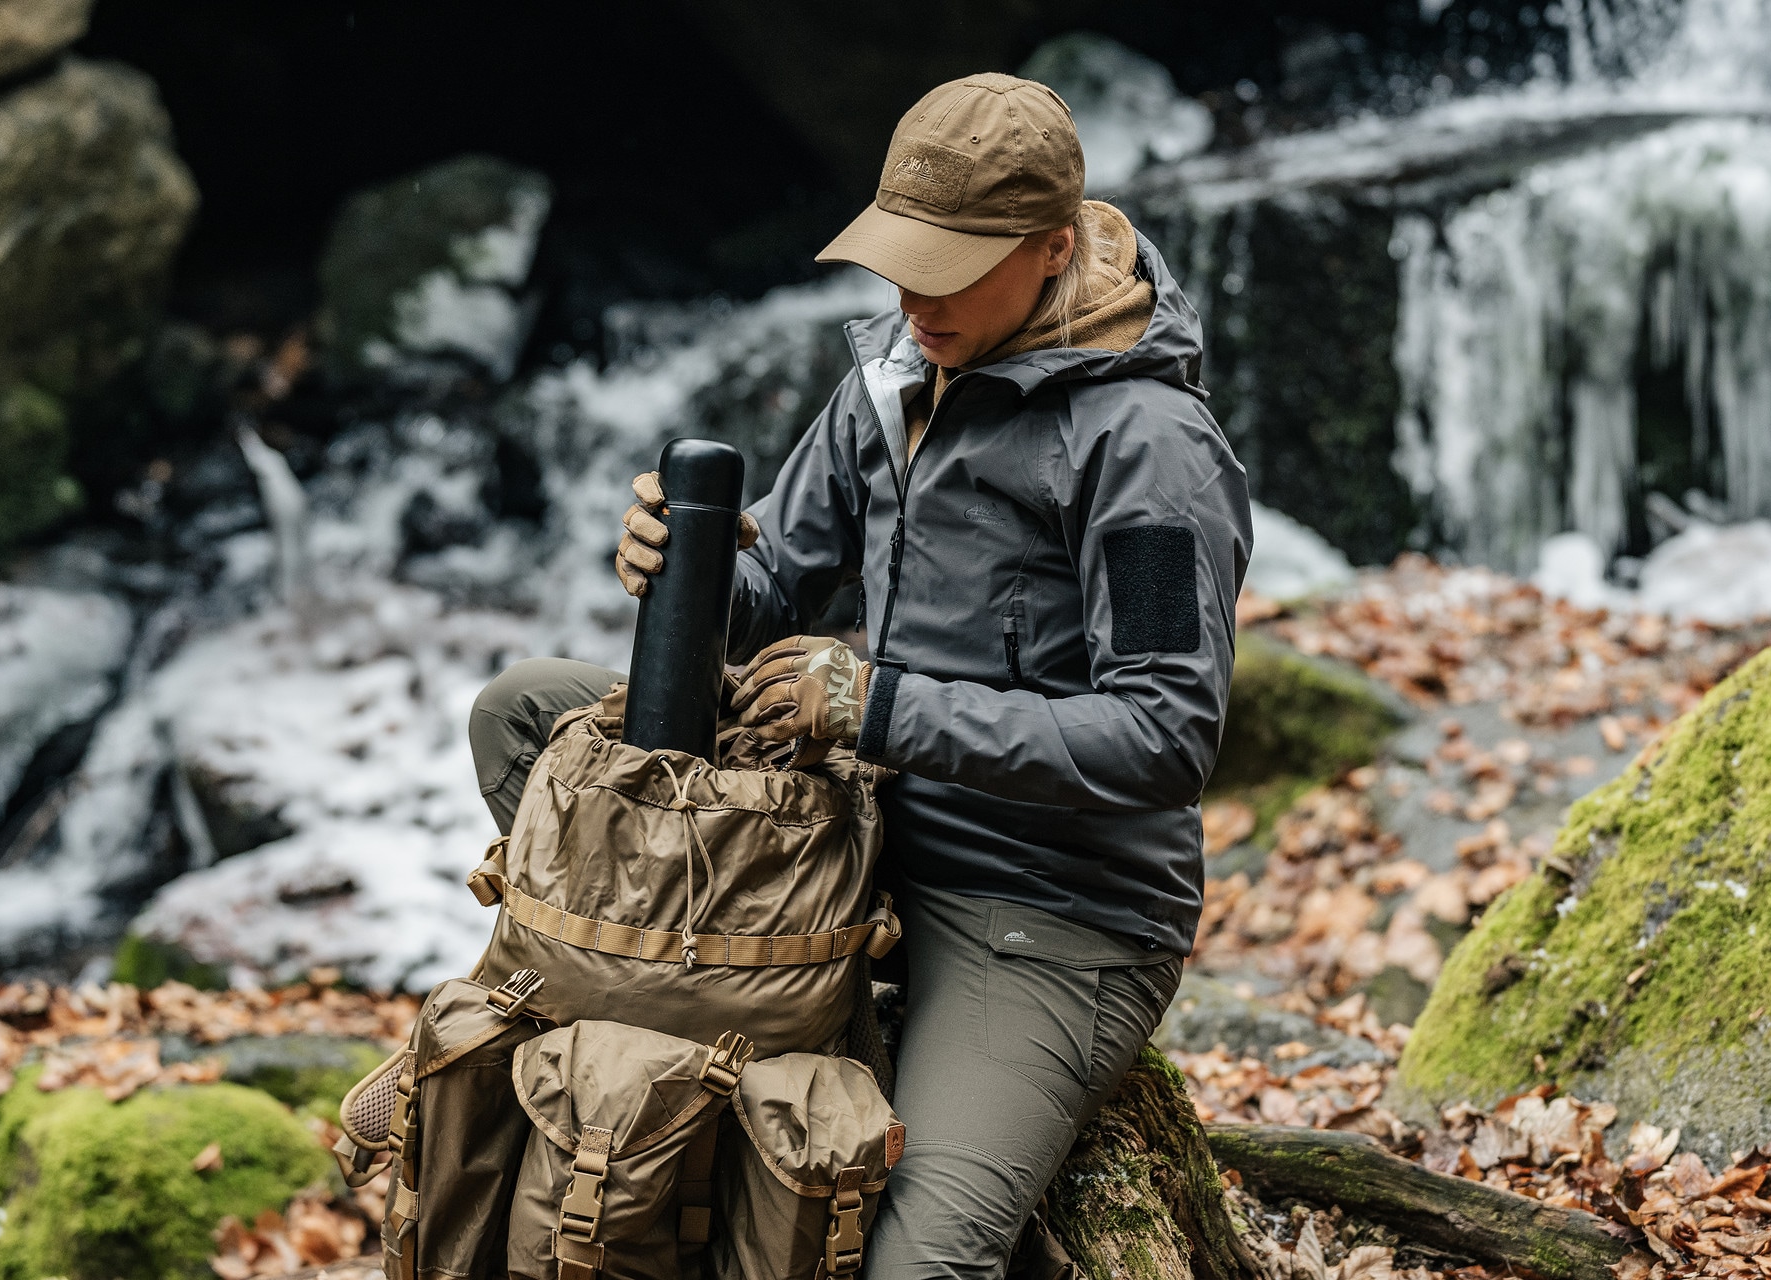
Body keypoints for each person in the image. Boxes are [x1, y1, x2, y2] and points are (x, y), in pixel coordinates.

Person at [471, 72, 1252, 1280]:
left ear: (1052, 251)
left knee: (914, 1269)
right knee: (526, 713)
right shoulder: (897, 370)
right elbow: (772, 586)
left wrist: (877, 704)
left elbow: (1164, 737)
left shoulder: (1148, 448)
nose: (911, 296)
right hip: (852, 833)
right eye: (900, 260)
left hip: (1042, 906)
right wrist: (683, 567)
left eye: (947, 267)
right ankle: (642, 1008)